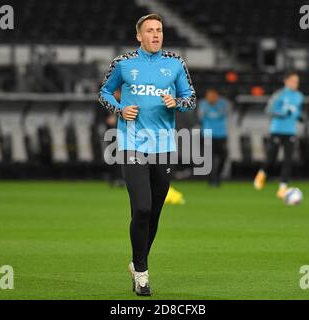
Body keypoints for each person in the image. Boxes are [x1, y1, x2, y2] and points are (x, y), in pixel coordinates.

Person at [98, 13, 196, 296]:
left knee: (153, 213)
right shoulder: (123, 63)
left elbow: (190, 99)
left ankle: (137, 263)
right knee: (141, 207)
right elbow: (104, 92)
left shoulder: (175, 63)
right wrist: (120, 109)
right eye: (150, 31)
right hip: (132, 144)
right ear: (139, 36)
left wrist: (176, 102)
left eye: (160, 30)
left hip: (163, 146)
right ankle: (142, 271)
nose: (156, 35)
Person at [253, 71, 304, 199]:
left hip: (291, 131)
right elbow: (269, 109)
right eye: (293, 81)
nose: (295, 84)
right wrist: (283, 112)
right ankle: (262, 173)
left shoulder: (299, 96)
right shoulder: (279, 95)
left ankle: (283, 187)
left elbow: (297, 111)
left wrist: (299, 117)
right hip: (277, 130)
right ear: (286, 81)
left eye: (297, 81)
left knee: (288, 160)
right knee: (271, 157)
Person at [198, 88, 230, 186]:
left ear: (217, 95)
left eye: (213, 95)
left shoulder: (223, 104)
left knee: (223, 156)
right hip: (207, 134)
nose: (211, 98)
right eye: (209, 96)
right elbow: (200, 117)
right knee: (209, 158)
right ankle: (212, 179)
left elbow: (227, 114)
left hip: (221, 134)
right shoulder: (203, 104)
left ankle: (217, 176)